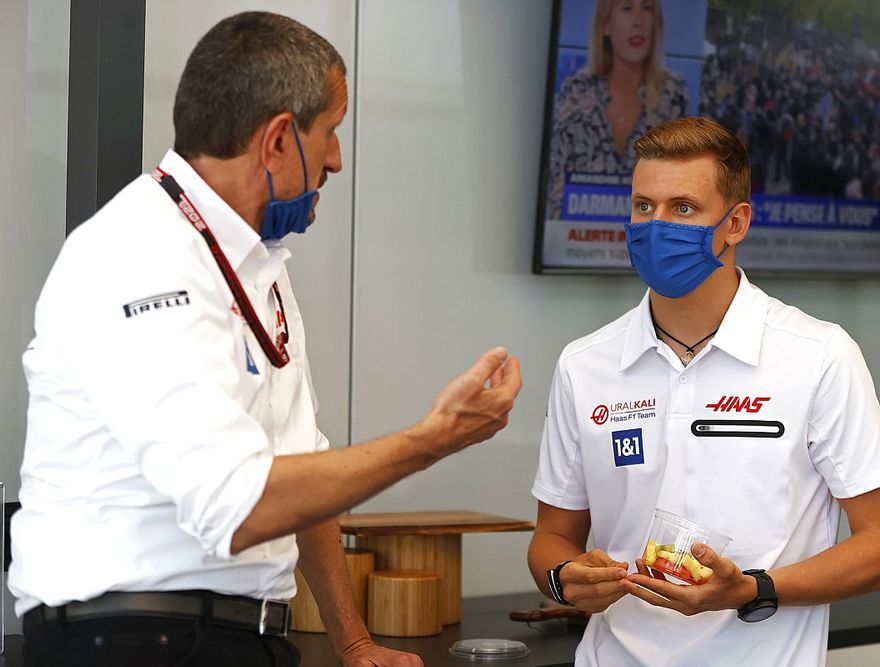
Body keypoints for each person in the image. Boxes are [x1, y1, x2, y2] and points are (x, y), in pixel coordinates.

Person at [8, 11, 521, 667]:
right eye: (330, 132)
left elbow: (302, 474)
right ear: (278, 139)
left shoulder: (255, 267)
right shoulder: (142, 252)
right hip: (131, 641)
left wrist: (355, 642)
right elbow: (240, 504)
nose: (336, 159)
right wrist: (431, 440)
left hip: (236, 638)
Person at [528, 116, 880, 666]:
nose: (656, 226)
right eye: (643, 206)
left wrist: (753, 589)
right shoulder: (584, 364)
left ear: (736, 223)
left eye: (682, 208)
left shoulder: (818, 355)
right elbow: (550, 539)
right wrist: (565, 579)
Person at [545, 0, 688, 220]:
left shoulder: (672, 95)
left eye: (647, 9)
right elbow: (555, 192)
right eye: (627, 8)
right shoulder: (576, 93)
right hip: (577, 244)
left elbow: (681, 188)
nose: (638, 21)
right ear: (605, 25)